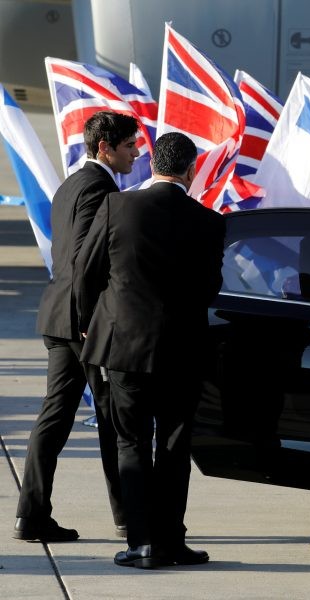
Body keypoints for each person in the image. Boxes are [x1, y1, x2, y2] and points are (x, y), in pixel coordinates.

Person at [74, 132, 225, 568]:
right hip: (182, 349)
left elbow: (86, 273)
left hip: (124, 348)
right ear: (191, 170)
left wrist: (88, 325)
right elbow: (210, 289)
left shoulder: (116, 206)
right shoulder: (209, 221)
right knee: (175, 447)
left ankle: (140, 544)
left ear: (153, 164)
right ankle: (172, 542)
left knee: (131, 443)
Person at [13, 111, 139, 543]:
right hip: (79, 323)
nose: (136, 153)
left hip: (59, 315)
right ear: (105, 147)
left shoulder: (70, 185)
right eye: (128, 146)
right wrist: (89, 322)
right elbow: (83, 260)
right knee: (111, 419)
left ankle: (31, 514)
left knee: (55, 416)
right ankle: (127, 518)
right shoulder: (99, 188)